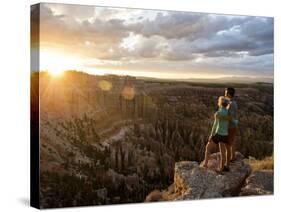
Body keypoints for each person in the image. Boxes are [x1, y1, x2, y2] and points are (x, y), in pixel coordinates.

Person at [202, 96, 230, 172]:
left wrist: (211, 134)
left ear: (220, 103)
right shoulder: (229, 113)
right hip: (225, 135)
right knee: (223, 152)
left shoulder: (218, 113)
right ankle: (221, 168)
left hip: (218, 134)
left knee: (208, 148)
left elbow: (215, 125)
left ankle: (205, 164)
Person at [216, 88, 238, 163]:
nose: (224, 95)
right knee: (232, 142)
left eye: (225, 94)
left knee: (227, 145)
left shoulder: (231, 104)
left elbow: (230, 117)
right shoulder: (234, 103)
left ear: (228, 94)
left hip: (230, 127)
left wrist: (219, 116)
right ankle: (233, 156)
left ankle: (226, 164)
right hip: (233, 126)